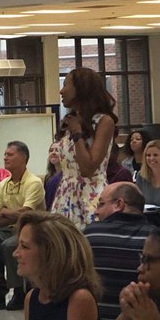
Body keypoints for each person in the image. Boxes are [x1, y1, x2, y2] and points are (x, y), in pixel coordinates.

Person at [13, 211, 99, 320]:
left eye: (25, 247)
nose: (15, 253)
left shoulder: (79, 300)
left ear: (50, 253)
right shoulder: (31, 298)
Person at [50, 67, 118, 229]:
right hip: (65, 195)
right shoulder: (70, 120)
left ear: (81, 89)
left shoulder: (103, 121)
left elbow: (88, 168)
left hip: (90, 196)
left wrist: (77, 133)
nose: (61, 91)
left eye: (66, 85)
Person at [84, 182, 152, 320]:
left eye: (101, 204)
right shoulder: (156, 241)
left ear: (119, 204)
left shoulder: (88, 236)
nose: (96, 211)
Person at [0, 140, 45, 310]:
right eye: (5, 154)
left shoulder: (34, 182)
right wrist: (14, 214)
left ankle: (18, 291)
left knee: (9, 245)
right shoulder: (3, 184)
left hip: (31, 230)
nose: (5, 157)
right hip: (6, 228)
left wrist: (7, 211)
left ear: (23, 158)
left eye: (10, 154)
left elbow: (28, 214)